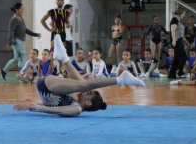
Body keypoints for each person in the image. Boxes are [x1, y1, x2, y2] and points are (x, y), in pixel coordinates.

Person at [13, 34, 145, 117]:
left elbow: (54, 110)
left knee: (83, 85)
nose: (86, 93)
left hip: (46, 86)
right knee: (83, 84)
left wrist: (32, 107)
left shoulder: (75, 109)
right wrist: (32, 104)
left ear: (87, 102)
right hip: (49, 86)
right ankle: (64, 58)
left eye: (89, 94)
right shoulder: (75, 102)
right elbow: (52, 104)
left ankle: (120, 79)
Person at [0, 2, 41, 80]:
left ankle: (4, 71)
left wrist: (35, 34)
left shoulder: (21, 18)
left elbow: (25, 30)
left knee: (16, 59)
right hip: (17, 42)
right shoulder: (13, 20)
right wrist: (9, 42)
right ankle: (23, 74)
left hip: (21, 42)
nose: (23, 10)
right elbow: (10, 32)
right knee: (23, 58)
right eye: (21, 9)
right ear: (17, 10)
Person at [168, 9, 187, 79]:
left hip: (180, 40)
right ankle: (180, 72)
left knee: (177, 58)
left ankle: (172, 74)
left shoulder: (178, 21)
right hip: (177, 41)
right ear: (180, 14)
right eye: (183, 14)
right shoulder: (174, 20)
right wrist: (174, 40)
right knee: (184, 57)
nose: (184, 15)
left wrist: (185, 40)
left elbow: (180, 33)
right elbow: (173, 30)